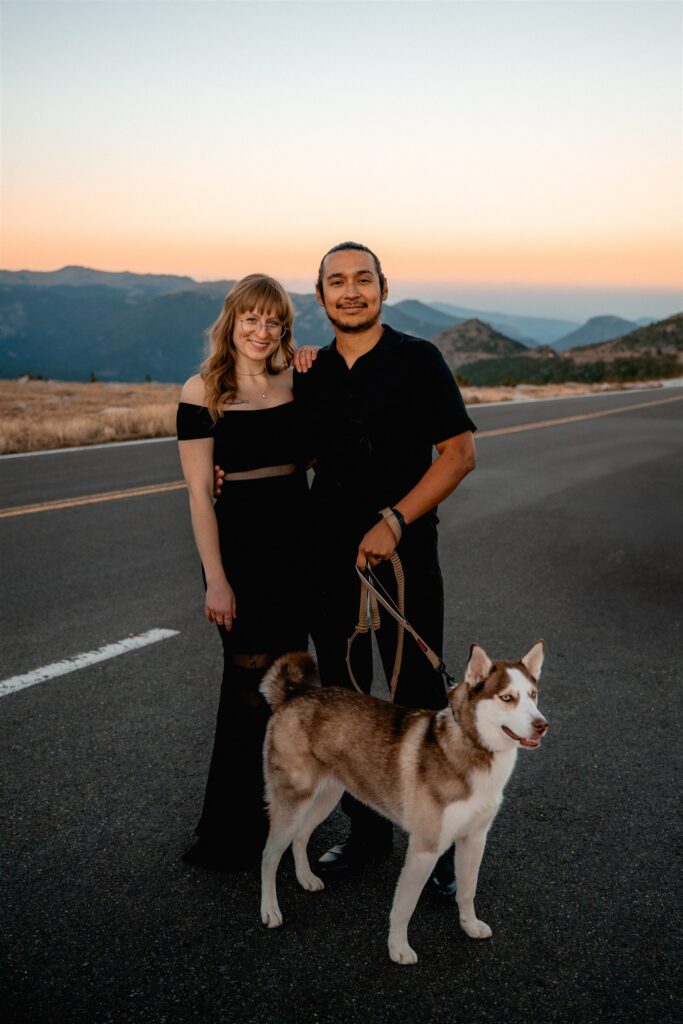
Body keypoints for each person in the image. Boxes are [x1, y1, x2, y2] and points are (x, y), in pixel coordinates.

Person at [217, 243, 477, 895]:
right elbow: (284, 450)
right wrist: (228, 470)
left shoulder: (419, 361)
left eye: (363, 279)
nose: (351, 291)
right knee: (346, 703)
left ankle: (437, 844)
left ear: (383, 288)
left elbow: (457, 454)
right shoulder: (311, 373)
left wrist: (394, 520)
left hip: (405, 556)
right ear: (322, 295)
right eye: (337, 282)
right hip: (325, 557)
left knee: (416, 697)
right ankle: (366, 837)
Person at [177, 273, 309, 872]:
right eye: (252, 318)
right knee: (245, 690)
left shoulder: (297, 381)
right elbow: (201, 497)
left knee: (293, 689)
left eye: (274, 320)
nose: (263, 330)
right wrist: (216, 579)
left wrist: (314, 363)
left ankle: (280, 823)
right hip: (243, 554)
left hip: (299, 548)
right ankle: (229, 831)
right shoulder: (200, 391)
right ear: (231, 321)